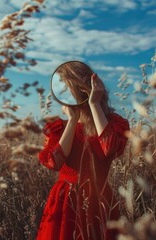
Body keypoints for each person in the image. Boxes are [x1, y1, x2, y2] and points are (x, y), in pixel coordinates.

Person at [37, 61, 130, 240]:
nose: (65, 95)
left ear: (80, 90)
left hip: (98, 200)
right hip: (65, 202)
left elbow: (109, 148)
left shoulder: (113, 123)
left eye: (68, 89)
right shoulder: (59, 127)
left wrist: (94, 104)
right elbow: (54, 162)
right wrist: (72, 121)